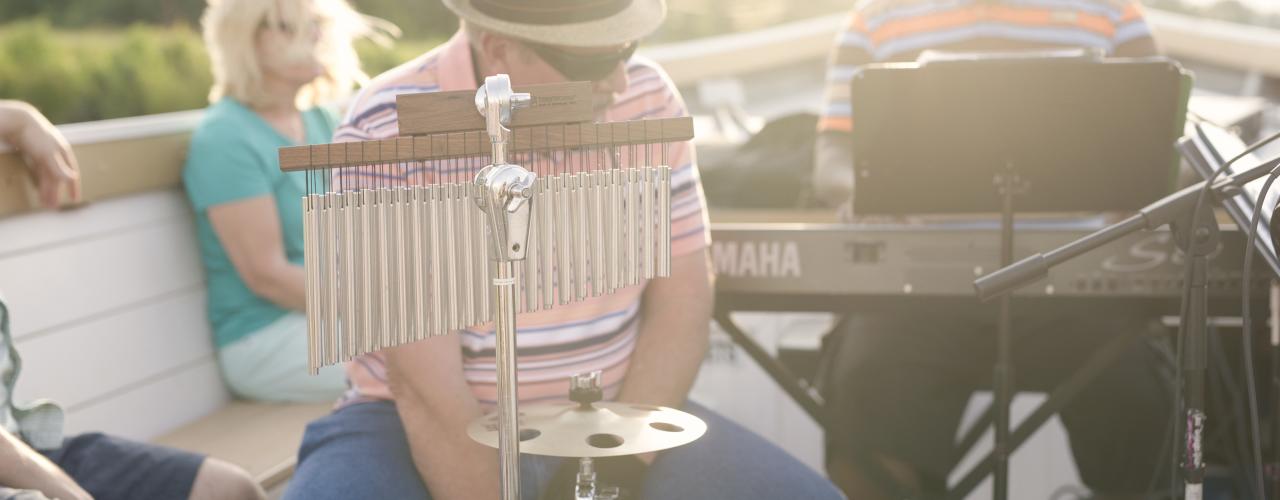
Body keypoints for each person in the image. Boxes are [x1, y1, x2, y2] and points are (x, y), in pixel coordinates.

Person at [283, 1, 846, 499]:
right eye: (595, 62)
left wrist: (621, 477)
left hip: (616, 412)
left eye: (628, 49)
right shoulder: (387, 123)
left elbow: (684, 306)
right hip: (403, 425)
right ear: (500, 48)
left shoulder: (649, 100)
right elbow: (423, 389)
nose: (621, 81)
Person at [812, 1, 1170, 498]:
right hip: (919, 289)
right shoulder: (876, 17)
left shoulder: (1113, 12)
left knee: (1140, 401)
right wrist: (860, 191)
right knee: (864, 391)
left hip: (1079, 283)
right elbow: (831, 157)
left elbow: (1165, 147)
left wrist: (1141, 194)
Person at [0, 101, 262, 500]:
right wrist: (63, 490)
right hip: (14, 467)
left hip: (22, 444)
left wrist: (20, 118)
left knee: (229, 491)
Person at [183, 0, 394, 402]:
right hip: (266, 338)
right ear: (248, 40)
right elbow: (268, 276)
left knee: (454, 341)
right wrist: (381, 302)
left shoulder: (321, 121)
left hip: (330, 320)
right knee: (419, 359)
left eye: (315, 23)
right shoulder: (225, 138)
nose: (314, 34)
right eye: (291, 26)